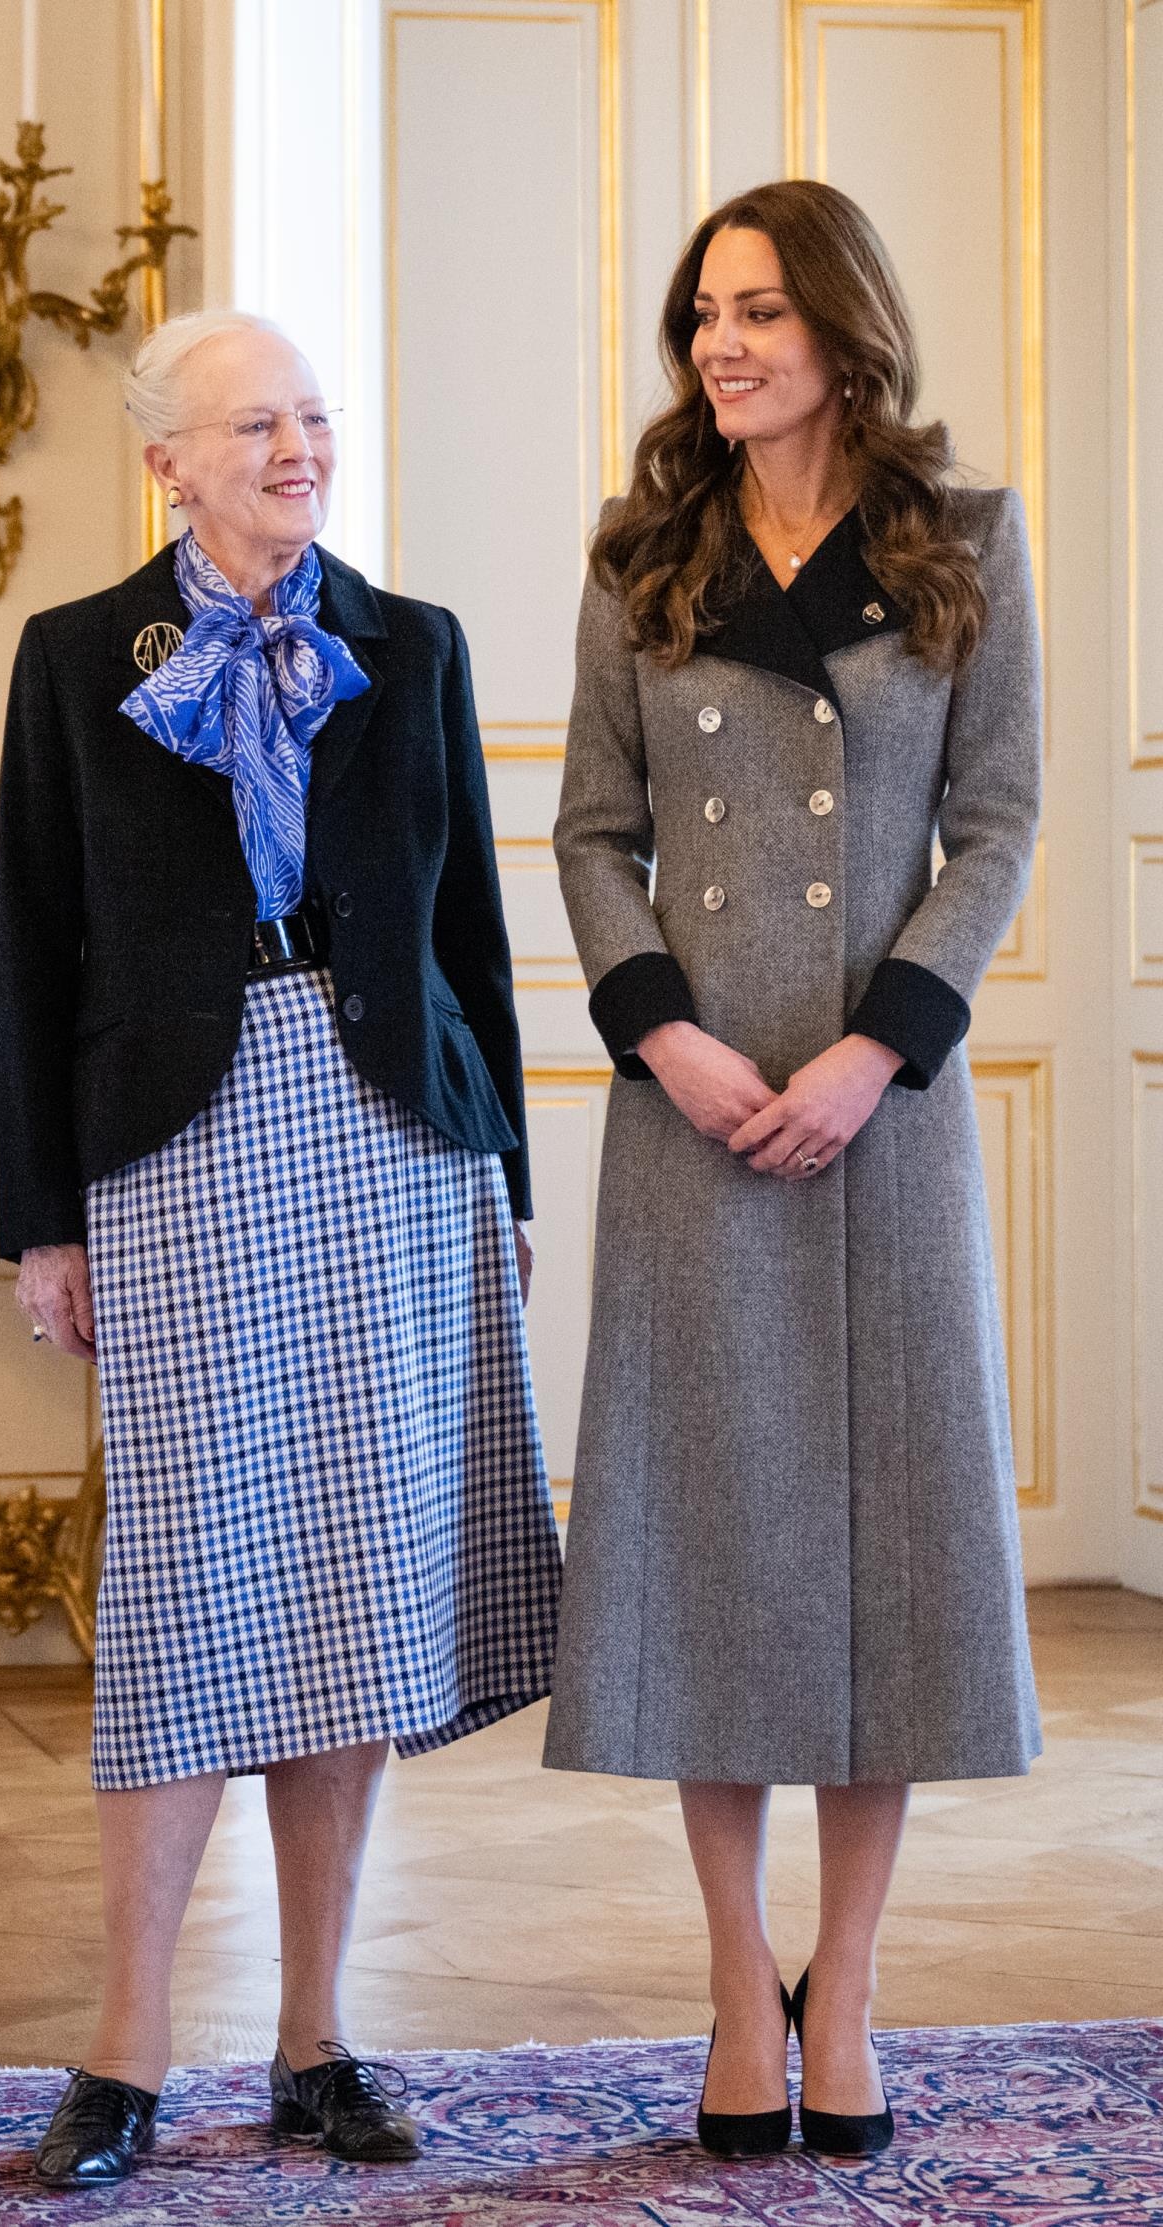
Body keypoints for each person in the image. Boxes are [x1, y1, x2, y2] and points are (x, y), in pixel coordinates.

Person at [0, 308, 561, 2188]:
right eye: (256, 425)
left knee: (351, 1584)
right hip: (175, 1149)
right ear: (167, 460)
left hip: (395, 1138)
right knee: (179, 1588)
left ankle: (318, 2040)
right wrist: (43, 1218)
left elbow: (471, 927)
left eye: (313, 417)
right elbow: (35, 953)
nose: (297, 448)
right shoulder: (79, 662)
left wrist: (513, 1176)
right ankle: (126, 2049)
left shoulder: (416, 648)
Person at [547, 181, 1042, 2159]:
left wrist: (877, 1047)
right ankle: (733, 1985)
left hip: (884, 1125)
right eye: (699, 317)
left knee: (883, 1567)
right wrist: (667, 1034)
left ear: (846, 326)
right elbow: (592, 835)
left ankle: (850, 1987)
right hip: (691, 1117)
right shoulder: (638, 561)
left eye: (757, 310)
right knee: (714, 1550)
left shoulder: (970, 549)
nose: (720, 345)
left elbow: (994, 830)